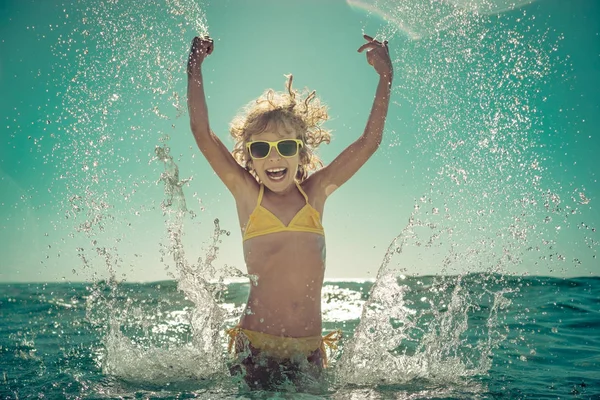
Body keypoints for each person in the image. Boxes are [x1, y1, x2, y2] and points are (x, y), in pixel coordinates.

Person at [187, 33, 393, 389]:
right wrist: (193, 70)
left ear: (301, 153)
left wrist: (385, 77)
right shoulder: (248, 196)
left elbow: (368, 143)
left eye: (285, 146)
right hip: (255, 348)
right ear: (248, 157)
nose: (274, 157)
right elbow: (203, 134)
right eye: (261, 149)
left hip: (308, 352)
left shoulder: (315, 195)